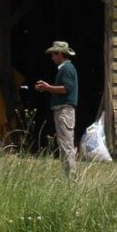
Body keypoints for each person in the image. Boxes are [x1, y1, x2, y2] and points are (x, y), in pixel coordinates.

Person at [34, 41, 79, 175]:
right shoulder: (66, 69)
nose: (52, 58)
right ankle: (68, 174)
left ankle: (70, 177)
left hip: (65, 110)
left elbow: (66, 88)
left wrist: (47, 88)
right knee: (64, 142)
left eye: (53, 55)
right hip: (63, 110)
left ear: (59, 54)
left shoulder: (67, 69)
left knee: (66, 143)